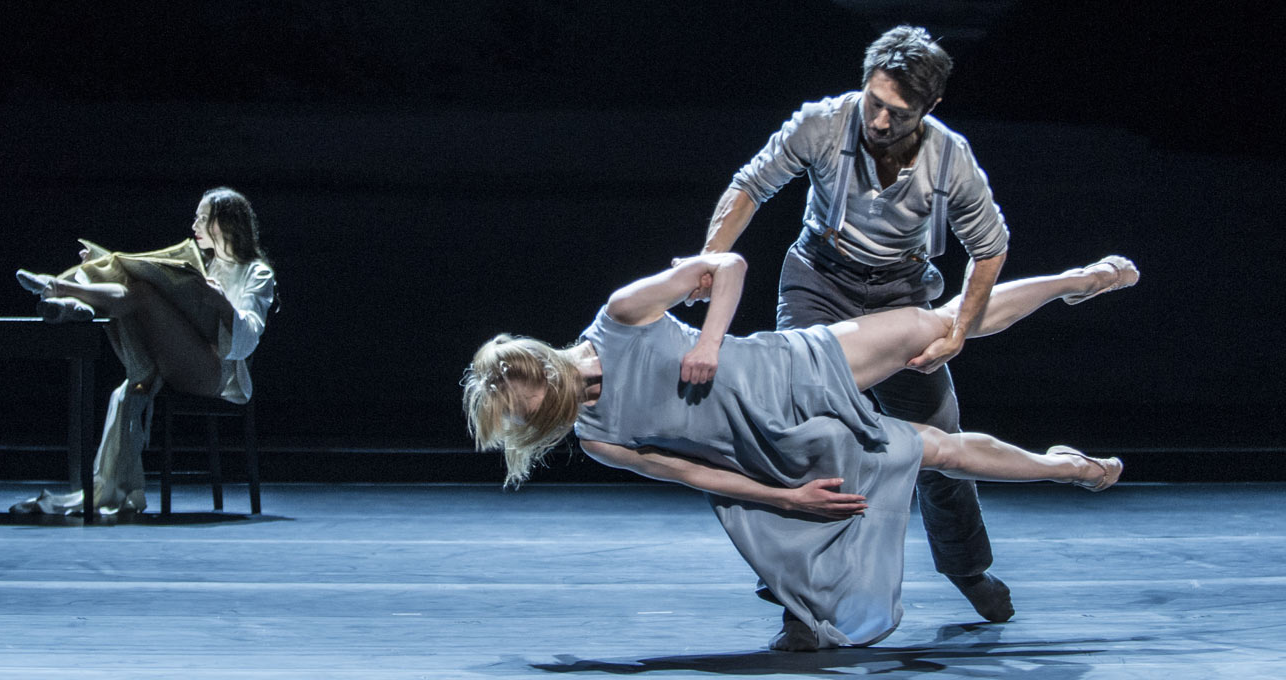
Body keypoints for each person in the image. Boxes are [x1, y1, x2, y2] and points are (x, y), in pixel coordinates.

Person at [463, 252, 1137, 650]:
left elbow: (726, 264)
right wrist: (786, 497)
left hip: (794, 368)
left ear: (541, 371)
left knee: (936, 327)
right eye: (529, 422)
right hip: (784, 449)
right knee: (936, 450)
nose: (542, 423)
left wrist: (707, 341)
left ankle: (1070, 281)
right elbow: (696, 473)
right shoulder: (598, 435)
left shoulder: (621, 317)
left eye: (531, 409)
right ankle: (1066, 467)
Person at [699, 25, 1019, 622]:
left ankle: (967, 568)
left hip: (901, 293)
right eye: (873, 102)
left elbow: (991, 248)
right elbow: (750, 187)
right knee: (798, 432)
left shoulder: (950, 159)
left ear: (929, 109)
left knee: (942, 444)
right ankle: (801, 601)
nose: (877, 121)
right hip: (820, 283)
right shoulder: (823, 123)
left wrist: (957, 330)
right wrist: (709, 259)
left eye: (897, 113)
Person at [10, 187, 277, 515]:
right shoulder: (199, 264)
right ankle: (72, 303)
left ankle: (63, 291)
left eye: (204, 218)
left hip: (215, 374)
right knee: (132, 285)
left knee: (142, 295)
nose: (194, 224)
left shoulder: (256, 272)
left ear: (226, 224)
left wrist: (221, 303)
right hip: (178, 362)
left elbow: (248, 336)